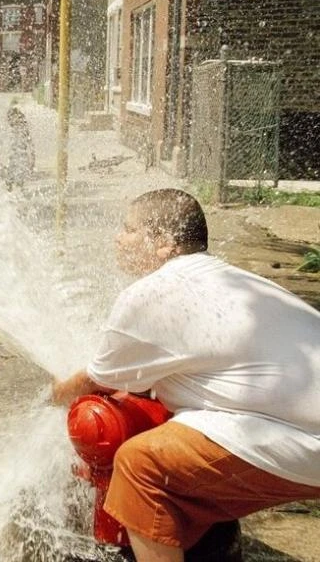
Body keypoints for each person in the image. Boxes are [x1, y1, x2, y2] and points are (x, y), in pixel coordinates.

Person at [51, 188, 320, 562]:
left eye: (128, 229)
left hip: (307, 440)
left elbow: (97, 382)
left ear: (163, 243)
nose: (117, 237)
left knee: (140, 465)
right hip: (298, 425)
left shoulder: (153, 294)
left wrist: (54, 394)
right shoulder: (238, 282)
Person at [0, 106, 34, 191]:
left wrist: (32, 159)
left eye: (17, 118)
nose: (14, 120)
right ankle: (10, 192)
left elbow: (30, 145)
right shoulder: (8, 130)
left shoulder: (24, 130)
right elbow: (1, 144)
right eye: (11, 118)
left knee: (20, 177)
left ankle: (19, 192)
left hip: (22, 158)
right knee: (9, 177)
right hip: (10, 158)